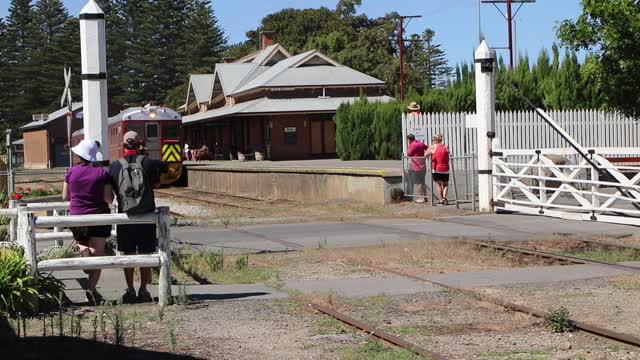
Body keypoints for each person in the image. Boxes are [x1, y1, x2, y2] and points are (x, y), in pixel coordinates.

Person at [110, 131, 163, 303]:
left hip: (126, 215)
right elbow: (156, 184)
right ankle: (144, 290)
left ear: (123, 144)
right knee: (147, 252)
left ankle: (130, 289)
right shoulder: (147, 162)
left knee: (128, 253)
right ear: (140, 143)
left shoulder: (115, 165)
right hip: (147, 215)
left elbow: (114, 190)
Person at [62, 139, 114, 305]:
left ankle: (83, 250)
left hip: (77, 217)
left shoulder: (71, 172)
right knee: (98, 255)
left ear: (79, 155)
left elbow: (65, 196)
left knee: (83, 244)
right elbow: (108, 199)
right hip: (99, 217)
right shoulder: (102, 173)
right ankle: (91, 291)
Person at [427, 134, 450, 205]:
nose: (433, 141)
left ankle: (441, 200)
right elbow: (448, 153)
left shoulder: (433, 147)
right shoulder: (445, 147)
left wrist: (429, 157)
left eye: (433, 140)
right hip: (446, 168)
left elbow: (425, 154)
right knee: (445, 184)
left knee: (438, 185)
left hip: (436, 168)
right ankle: (444, 198)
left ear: (435, 140)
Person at [407, 134, 428, 203]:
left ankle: (420, 198)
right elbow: (427, 148)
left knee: (418, 182)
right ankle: (425, 197)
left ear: (409, 140)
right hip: (423, 165)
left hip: (416, 166)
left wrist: (409, 146)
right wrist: (425, 155)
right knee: (422, 182)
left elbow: (409, 154)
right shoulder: (421, 143)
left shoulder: (412, 145)